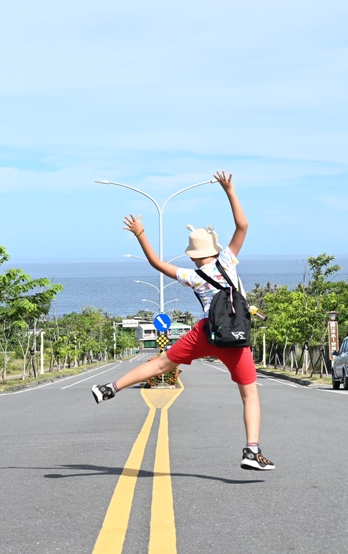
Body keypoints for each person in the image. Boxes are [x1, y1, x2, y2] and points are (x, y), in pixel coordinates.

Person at [91, 171, 275, 471]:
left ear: (192, 257)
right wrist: (229, 190)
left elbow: (156, 263)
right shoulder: (227, 261)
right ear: (214, 249)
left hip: (205, 332)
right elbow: (243, 225)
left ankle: (111, 387)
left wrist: (140, 234)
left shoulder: (191, 276)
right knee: (249, 394)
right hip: (235, 338)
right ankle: (251, 450)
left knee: (162, 364)